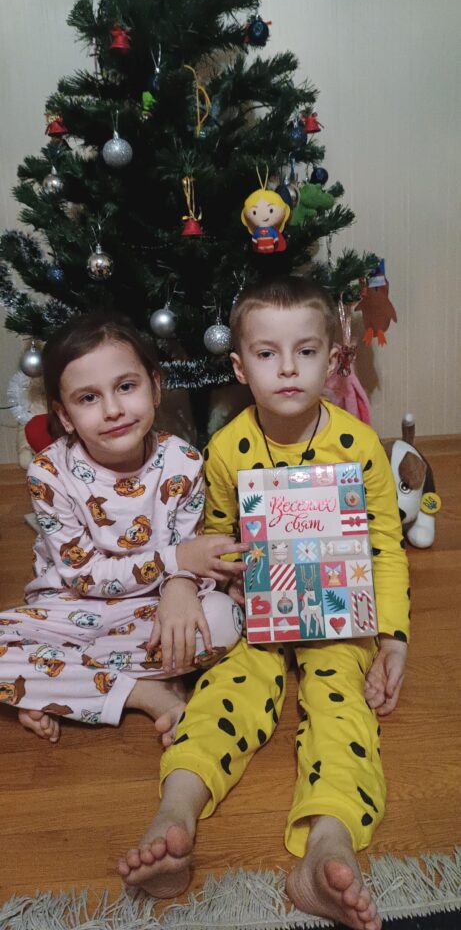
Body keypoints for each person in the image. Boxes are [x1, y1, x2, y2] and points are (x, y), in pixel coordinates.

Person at [117, 277, 410, 930]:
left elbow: (384, 544)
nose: (287, 369)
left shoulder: (359, 446)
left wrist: (393, 639)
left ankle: (328, 842)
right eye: (267, 354)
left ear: (333, 360)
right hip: (259, 613)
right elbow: (214, 535)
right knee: (228, 692)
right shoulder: (226, 450)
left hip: (339, 616)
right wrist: (216, 574)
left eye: (305, 351)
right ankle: (176, 813)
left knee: (341, 703)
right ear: (239, 367)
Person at [0, 311, 245, 743]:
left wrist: (180, 583)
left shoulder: (183, 462)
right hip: (66, 607)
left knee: (224, 620)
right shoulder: (48, 473)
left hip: (149, 609)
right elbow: (83, 574)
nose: (113, 410)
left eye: (126, 387)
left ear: (155, 387)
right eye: (88, 398)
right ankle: (142, 692)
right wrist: (176, 561)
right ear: (66, 415)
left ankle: (54, 682)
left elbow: (188, 555)